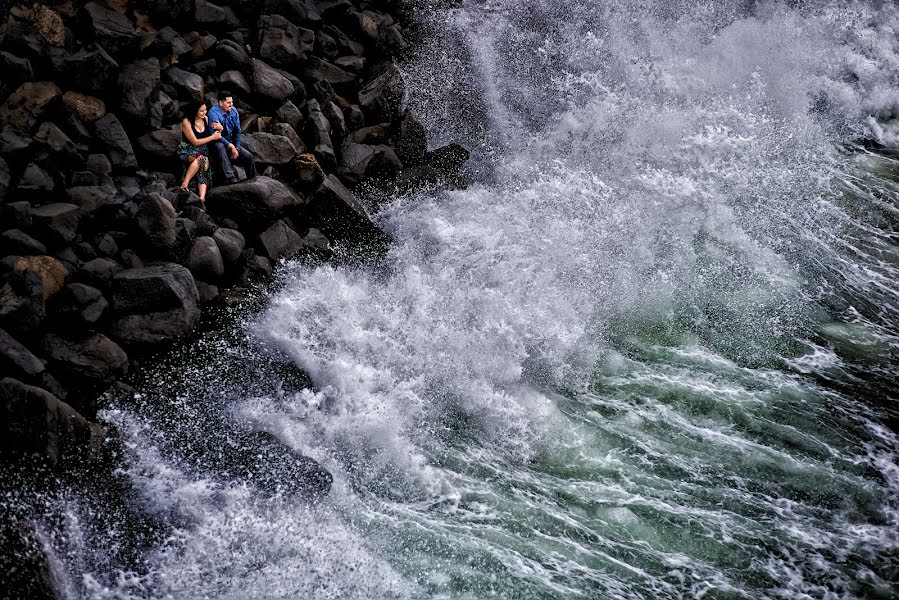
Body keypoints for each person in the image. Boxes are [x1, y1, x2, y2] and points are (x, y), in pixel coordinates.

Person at [177, 100, 222, 205]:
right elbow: (195, 142)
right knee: (202, 159)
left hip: (202, 151)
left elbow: (217, 133)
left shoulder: (206, 119)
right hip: (188, 149)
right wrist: (212, 137)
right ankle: (185, 183)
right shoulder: (186, 122)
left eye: (205, 110)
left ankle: (201, 198)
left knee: (203, 163)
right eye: (201, 111)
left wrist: (220, 128)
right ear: (195, 111)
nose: (204, 113)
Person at [207, 90, 257, 183]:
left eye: (232, 102)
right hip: (215, 142)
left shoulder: (234, 111)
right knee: (220, 146)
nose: (231, 104)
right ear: (221, 103)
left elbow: (237, 131)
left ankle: (253, 179)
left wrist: (237, 147)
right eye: (228, 102)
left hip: (230, 141)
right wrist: (230, 146)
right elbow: (216, 135)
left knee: (248, 157)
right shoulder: (213, 114)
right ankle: (229, 177)